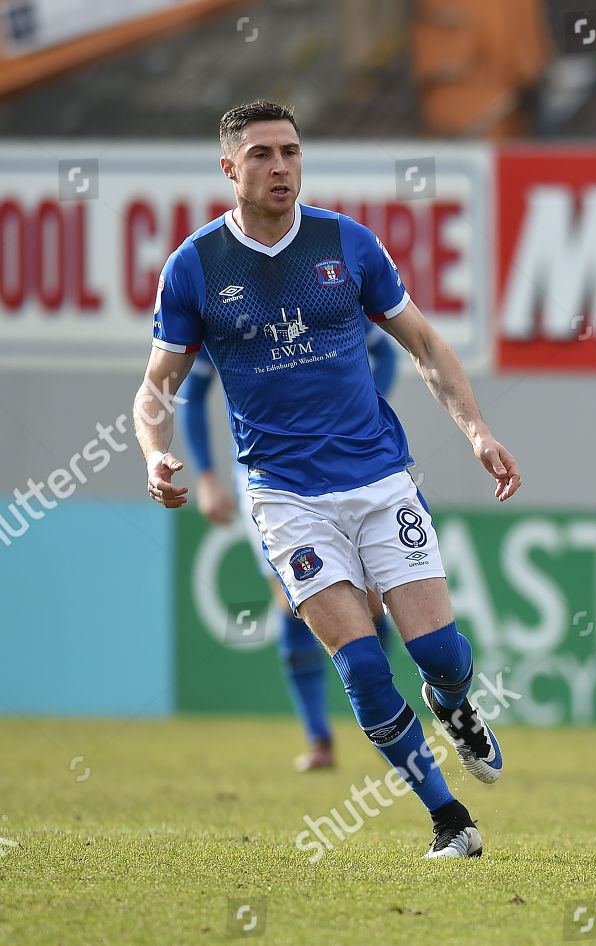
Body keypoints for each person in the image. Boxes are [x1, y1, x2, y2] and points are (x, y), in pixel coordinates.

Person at [133, 100, 520, 859]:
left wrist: (477, 429)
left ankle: (453, 702)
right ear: (229, 169)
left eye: (291, 152)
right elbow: (158, 386)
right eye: (262, 155)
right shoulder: (196, 266)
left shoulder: (347, 245)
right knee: (365, 664)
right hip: (285, 496)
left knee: (437, 652)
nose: (281, 167)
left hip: (379, 481)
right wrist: (154, 452)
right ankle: (449, 820)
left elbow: (426, 346)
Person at [180, 328, 399, 772]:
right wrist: (204, 475)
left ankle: (388, 717)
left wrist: (365, 413)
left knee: (371, 604)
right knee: (294, 598)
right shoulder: (219, 296)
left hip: (348, 461)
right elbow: (192, 391)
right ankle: (319, 737)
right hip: (267, 474)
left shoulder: (328, 285)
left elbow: (388, 354)